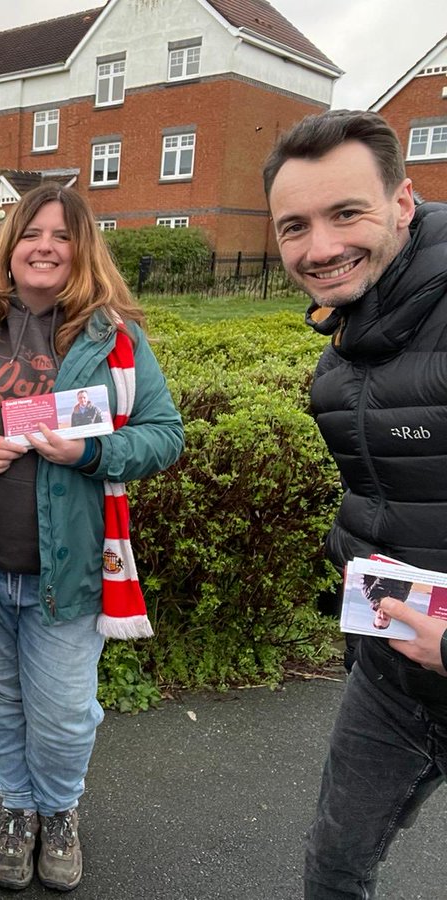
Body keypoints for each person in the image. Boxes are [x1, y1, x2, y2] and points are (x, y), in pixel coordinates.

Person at [0, 182, 183, 892]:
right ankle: (19, 812)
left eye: (61, 236)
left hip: (70, 572)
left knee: (63, 715)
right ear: (10, 243)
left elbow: (165, 435)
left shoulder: (113, 334)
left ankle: (59, 809)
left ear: (81, 249)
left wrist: (91, 453)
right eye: (32, 232)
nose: (44, 247)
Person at [263, 109, 447, 899]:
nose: (320, 247)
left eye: (347, 213)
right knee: (334, 869)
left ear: (403, 202)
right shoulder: (343, 350)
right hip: (393, 670)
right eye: (294, 226)